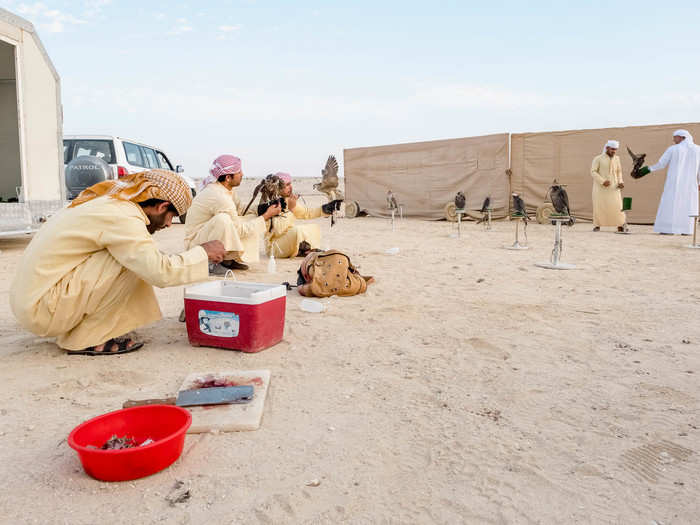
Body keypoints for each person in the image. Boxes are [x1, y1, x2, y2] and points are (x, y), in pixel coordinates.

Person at [9, 169, 226, 355]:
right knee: (133, 261)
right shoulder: (123, 217)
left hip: (34, 301)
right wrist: (203, 253)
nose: (169, 225)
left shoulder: (114, 204)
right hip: (42, 309)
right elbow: (160, 271)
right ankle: (85, 339)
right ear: (162, 206)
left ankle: (91, 328)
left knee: (137, 255)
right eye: (172, 216)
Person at [184, 154, 281, 274]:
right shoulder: (219, 196)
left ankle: (228, 260)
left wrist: (263, 209)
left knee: (250, 218)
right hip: (195, 244)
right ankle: (211, 263)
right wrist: (266, 216)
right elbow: (239, 230)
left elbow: (240, 209)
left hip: (206, 235)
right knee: (223, 220)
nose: (242, 174)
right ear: (228, 178)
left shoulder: (225, 189)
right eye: (239, 172)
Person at [262, 172, 342, 258]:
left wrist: (325, 209)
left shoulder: (286, 200)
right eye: (287, 185)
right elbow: (278, 230)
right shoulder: (269, 204)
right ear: (278, 188)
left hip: (288, 238)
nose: (291, 187)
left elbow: (306, 213)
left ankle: (305, 250)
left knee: (314, 228)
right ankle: (301, 250)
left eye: (290, 184)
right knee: (297, 231)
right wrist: (291, 210)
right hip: (275, 248)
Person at [636, 130, 700, 234]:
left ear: (681, 137)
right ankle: (686, 230)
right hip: (690, 184)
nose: (673, 139)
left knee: (670, 203)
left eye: (675, 137)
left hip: (674, 182)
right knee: (688, 204)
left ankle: (667, 229)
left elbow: (661, 164)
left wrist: (645, 170)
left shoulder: (673, 149)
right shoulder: (698, 149)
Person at [296, 249, 374, 297]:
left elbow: (301, 287)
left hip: (320, 273)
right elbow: (355, 273)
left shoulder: (314, 286)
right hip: (339, 259)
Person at [590, 140, 627, 232]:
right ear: (607, 148)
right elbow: (593, 172)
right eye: (612, 149)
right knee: (600, 206)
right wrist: (602, 181)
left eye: (615, 149)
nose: (614, 151)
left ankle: (620, 224)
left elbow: (619, 172)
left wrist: (621, 182)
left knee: (618, 206)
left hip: (614, 187)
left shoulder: (617, 158)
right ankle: (597, 225)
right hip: (600, 188)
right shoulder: (598, 158)